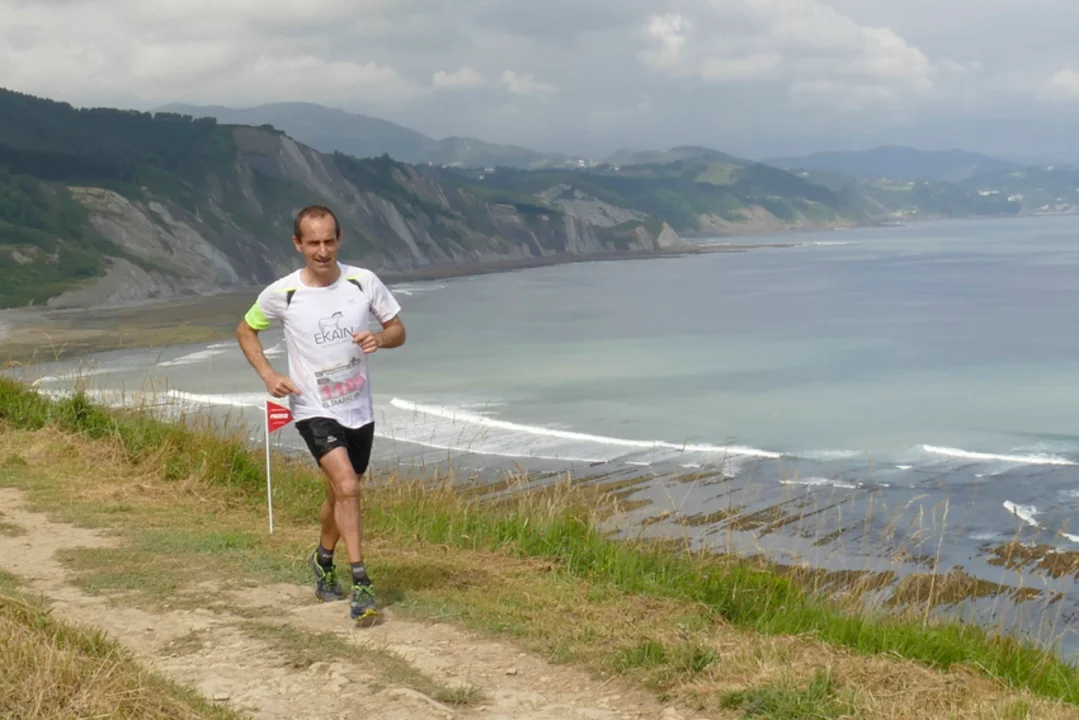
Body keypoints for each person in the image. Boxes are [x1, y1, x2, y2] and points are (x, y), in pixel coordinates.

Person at [235, 205, 406, 622]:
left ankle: (323, 559)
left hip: (359, 408)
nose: (323, 250)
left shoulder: (363, 281)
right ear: (298, 244)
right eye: (313, 243)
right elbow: (245, 330)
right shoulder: (283, 293)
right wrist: (269, 375)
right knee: (347, 485)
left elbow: (398, 330)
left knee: (340, 492)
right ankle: (361, 582)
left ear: (339, 239)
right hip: (312, 408)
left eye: (329, 241)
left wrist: (380, 339)